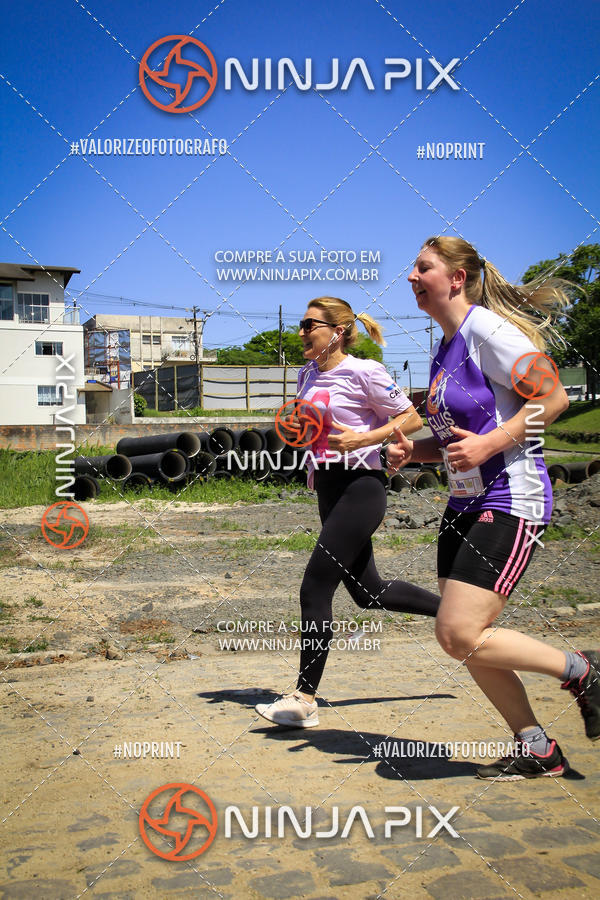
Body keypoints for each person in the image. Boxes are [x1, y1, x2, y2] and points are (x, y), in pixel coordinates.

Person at [387, 235, 600, 779]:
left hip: (511, 498)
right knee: (464, 640)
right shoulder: (446, 345)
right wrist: (415, 451)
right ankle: (537, 748)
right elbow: (459, 439)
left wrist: (491, 442)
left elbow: (554, 399)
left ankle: (583, 671)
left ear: (456, 278)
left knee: (458, 632)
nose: (411, 277)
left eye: (423, 267)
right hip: (463, 504)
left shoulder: (487, 330)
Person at [256, 296, 441, 727]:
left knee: (314, 587)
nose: (301, 331)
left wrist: (365, 439)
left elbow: (412, 419)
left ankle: (304, 699)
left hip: (361, 488)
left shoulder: (364, 371)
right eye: (301, 325)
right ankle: (453, 612)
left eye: (309, 324)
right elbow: (311, 426)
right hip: (327, 487)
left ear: (337, 331)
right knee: (368, 592)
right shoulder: (306, 374)